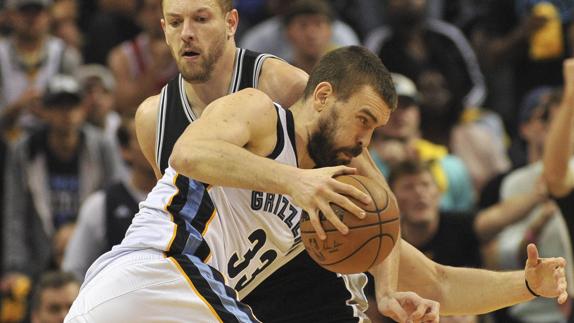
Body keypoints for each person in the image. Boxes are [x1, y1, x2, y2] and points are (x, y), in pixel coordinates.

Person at [66, 46, 568, 323]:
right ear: (323, 95)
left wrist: (526, 285)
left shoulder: (339, 200)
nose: (365, 141)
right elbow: (188, 153)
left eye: (376, 130)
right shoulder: (261, 114)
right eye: (363, 121)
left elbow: (435, 280)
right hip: (157, 275)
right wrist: (296, 183)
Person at [136, 0, 426, 321]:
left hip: (298, 274)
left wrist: (384, 289)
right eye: (175, 23)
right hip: (223, 283)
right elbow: (177, 210)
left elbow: (372, 191)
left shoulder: (282, 84)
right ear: (163, 30)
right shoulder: (153, 119)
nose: (187, 33)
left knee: (433, 279)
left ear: (231, 23)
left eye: (201, 19)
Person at [2, 75, 122, 291]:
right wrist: (15, 268)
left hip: (93, 258)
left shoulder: (101, 147)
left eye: (72, 105)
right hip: (37, 259)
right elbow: (14, 213)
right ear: (44, 111)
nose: (66, 113)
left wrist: (79, 229)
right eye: (58, 106)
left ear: (83, 109)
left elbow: (115, 203)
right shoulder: (25, 150)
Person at [62, 118, 156, 281]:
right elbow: (73, 272)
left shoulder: (187, 200)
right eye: (146, 137)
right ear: (125, 150)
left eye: (160, 135)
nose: (156, 144)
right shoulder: (101, 204)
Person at [369, 73, 475, 213]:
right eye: (390, 106)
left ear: (418, 112)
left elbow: (464, 222)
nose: (399, 113)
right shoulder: (358, 164)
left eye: (406, 105)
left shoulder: (450, 165)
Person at [107, 0, 178, 115]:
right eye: (152, 9)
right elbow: (122, 104)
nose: (161, 15)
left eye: (163, 7)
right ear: (139, 16)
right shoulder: (123, 56)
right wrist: (155, 68)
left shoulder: (191, 46)